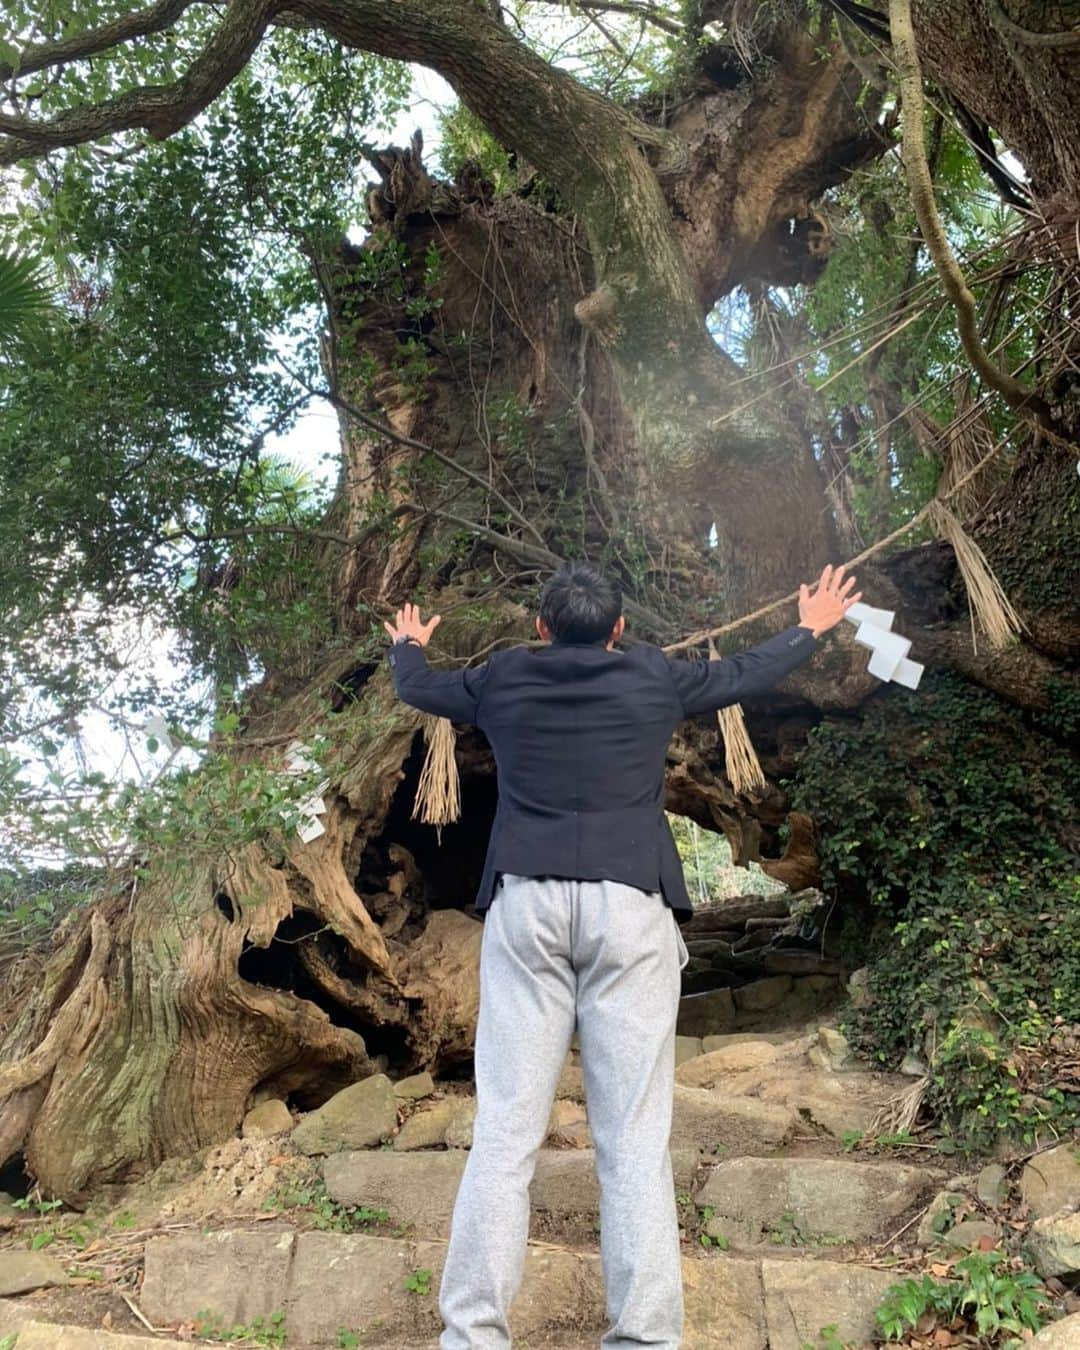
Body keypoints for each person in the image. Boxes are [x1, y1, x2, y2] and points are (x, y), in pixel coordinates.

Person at [383, 562, 860, 1350]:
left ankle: (471, 1339)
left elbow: (420, 689)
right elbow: (746, 671)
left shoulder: (501, 677)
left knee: (504, 1135)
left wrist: (407, 644)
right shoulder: (652, 676)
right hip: (629, 906)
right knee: (633, 1141)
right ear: (618, 632)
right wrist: (811, 624)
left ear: (540, 629)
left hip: (528, 905)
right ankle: (643, 1341)